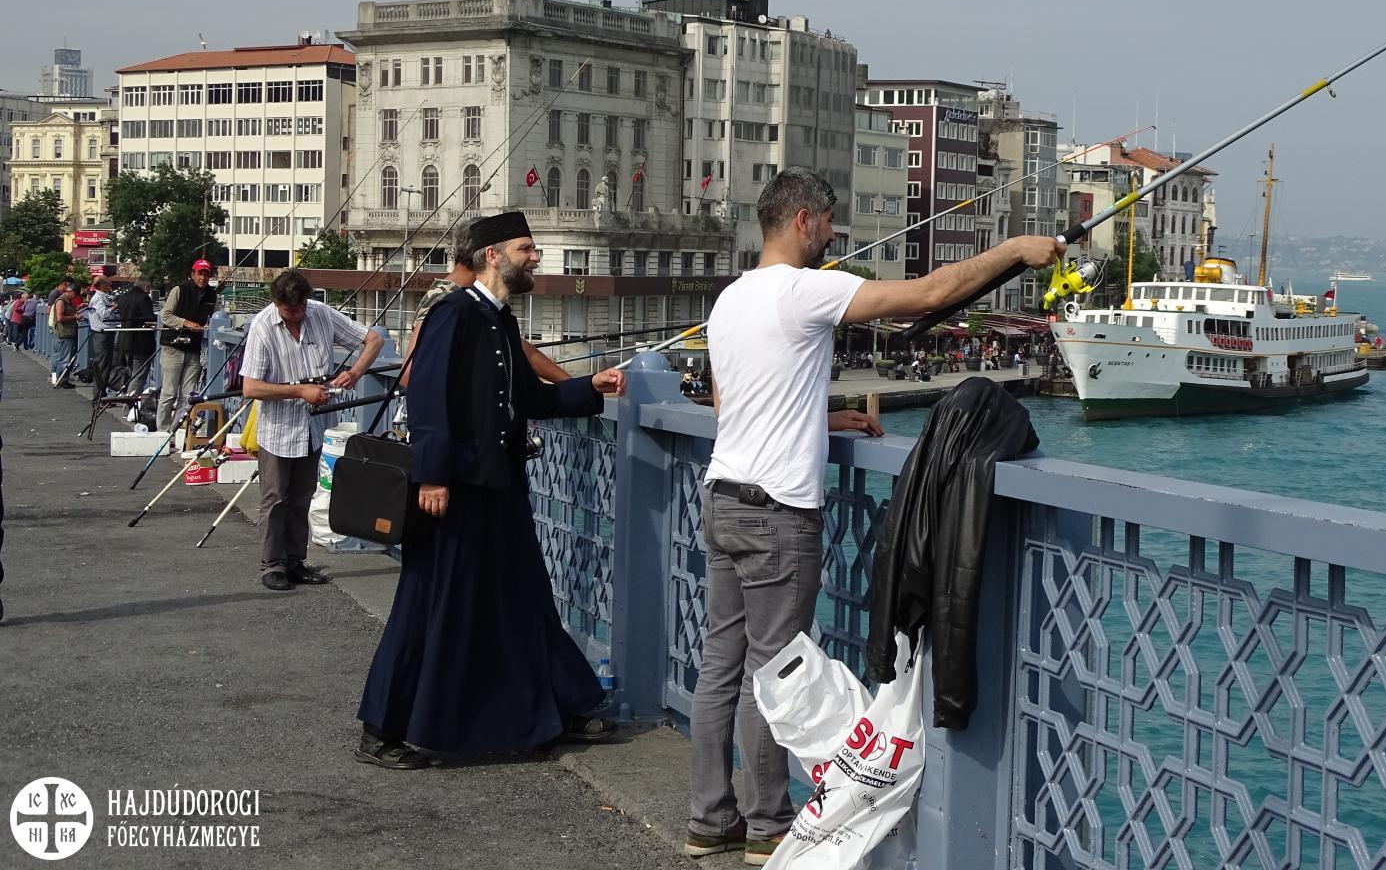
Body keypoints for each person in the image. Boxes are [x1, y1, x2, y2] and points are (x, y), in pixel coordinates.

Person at [685, 168, 1062, 864]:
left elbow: (729, 405)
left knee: (720, 664)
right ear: (803, 219)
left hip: (722, 496)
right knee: (777, 671)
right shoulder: (803, 289)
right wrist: (1015, 250)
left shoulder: (731, 298)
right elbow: (933, 292)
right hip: (775, 513)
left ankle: (709, 818)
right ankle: (767, 823)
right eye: (829, 223)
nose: (833, 236)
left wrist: (824, 419)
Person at [357, 211, 626, 768]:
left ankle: (559, 707)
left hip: (501, 486)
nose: (536, 257)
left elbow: (529, 397)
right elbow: (427, 395)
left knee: (523, 598)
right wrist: (433, 474)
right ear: (494, 255)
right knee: (429, 601)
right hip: (456, 488)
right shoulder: (454, 313)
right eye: (527, 248)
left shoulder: (500, 320)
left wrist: (589, 387)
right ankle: (382, 728)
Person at [240, 269, 386, 592]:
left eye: (301, 307)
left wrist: (355, 372)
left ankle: (295, 560)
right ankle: (272, 564)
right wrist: (299, 391)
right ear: (276, 303)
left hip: (313, 426)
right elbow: (251, 387)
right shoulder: (263, 327)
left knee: (302, 497)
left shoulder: (321, 313)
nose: (297, 315)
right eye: (290, 310)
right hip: (279, 429)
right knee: (275, 498)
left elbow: (374, 339)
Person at [399, 233, 570, 388]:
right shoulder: (445, 300)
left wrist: (570, 384)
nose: (535, 258)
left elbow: (514, 346)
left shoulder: (481, 301)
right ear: (489, 255)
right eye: (523, 249)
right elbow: (409, 375)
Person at [158, 260, 218, 430]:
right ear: (192, 274)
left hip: (194, 349)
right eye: (199, 274)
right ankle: (163, 430)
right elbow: (165, 315)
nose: (202, 278)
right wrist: (186, 323)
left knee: (188, 395)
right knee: (169, 393)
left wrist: (208, 327)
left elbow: (215, 318)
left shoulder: (212, 295)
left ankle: (179, 430)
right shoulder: (179, 290)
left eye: (206, 274)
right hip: (173, 347)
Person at [113, 280, 158, 400]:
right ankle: (130, 404)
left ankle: (127, 399)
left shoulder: (122, 298)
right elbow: (149, 319)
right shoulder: (144, 298)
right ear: (145, 286)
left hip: (125, 340)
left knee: (130, 372)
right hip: (141, 342)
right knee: (139, 375)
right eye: (149, 288)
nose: (149, 290)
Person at [84, 277, 118, 401]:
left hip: (104, 333)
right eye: (108, 283)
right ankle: (98, 397)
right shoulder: (99, 298)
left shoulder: (102, 297)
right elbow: (103, 314)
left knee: (105, 364)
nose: (110, 284)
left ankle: (102, 395)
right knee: (103, 365)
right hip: (102, 334)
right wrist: (114, 307)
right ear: (102, 284)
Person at [48, 279, 83, 388]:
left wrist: (77, 308)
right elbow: (60, 317)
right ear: (71, 292)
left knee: (56, 357)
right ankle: (62, 380)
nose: (75, 297)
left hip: (60, 333)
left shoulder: (65, 301)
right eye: (75, 295)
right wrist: (75, 317)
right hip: (64, 333)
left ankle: (54, 379)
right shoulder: (61, 301)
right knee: (64, 358)